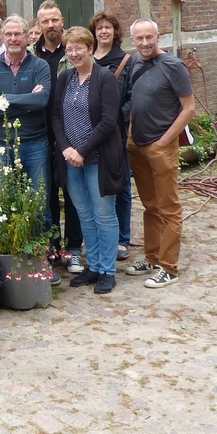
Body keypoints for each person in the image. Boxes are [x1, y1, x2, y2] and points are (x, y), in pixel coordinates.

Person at [50, 27, 128, 295]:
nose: (74, 53)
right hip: (70, 160)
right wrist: (66, 149)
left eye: (79, 48)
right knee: (83, 213)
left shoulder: (104, 78)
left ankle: (107, 270)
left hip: (98, 158)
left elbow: (108, 121)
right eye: (69, 49)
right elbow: (56, 117)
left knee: (104, 214)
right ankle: (92, 265)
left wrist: (82, 150)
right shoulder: (65, 78)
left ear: (90, 48)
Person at [122, 18, 196, 288]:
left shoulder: (173, 66)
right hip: (137, 144)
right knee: (150, 205)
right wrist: (131, 134)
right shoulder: (134, 62)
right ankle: (152, 257)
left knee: (169, 208)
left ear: (158, 37)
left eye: (149, 38)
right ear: (133, 39)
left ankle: (169, 267)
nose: (144, 43)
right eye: (139, 38)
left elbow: (188, 108)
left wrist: (165, 141)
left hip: (160, 146)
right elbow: (132, 100)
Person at [0, 14, 52, 250]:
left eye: (17, 34)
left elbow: (42, 101)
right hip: (0, 144)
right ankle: (11, 252)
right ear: (2, 37)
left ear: (27, 37)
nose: (12, 38)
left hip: (34, 144)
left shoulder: (40, 66)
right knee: (2, 199)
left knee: (39, 201)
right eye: (8, 34)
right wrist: (26, 100)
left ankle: (42, 255)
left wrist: (5, 99)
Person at [35, 0, 83, 278]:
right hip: (42, 131)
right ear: (38, 25)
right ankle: (52, 249)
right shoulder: (33, 54)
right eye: (45, 21)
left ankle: (74, 248)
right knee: (47, 194)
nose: (50, 25)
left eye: (54, 20)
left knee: (73, 192)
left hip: (72, 130)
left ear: (62, 20)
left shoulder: (74, 51)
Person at [90, 11, 133, 261]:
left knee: (121, 185)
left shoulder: (125, 61)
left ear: (115, 32)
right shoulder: (87, 59)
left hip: (116, 133)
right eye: (99, 28)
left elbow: (131, 98)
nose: (103, 32)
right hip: (89, 133)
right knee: (94, 186)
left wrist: (116, 119)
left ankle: (122, 238)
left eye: (108, 28)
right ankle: (99, 235)